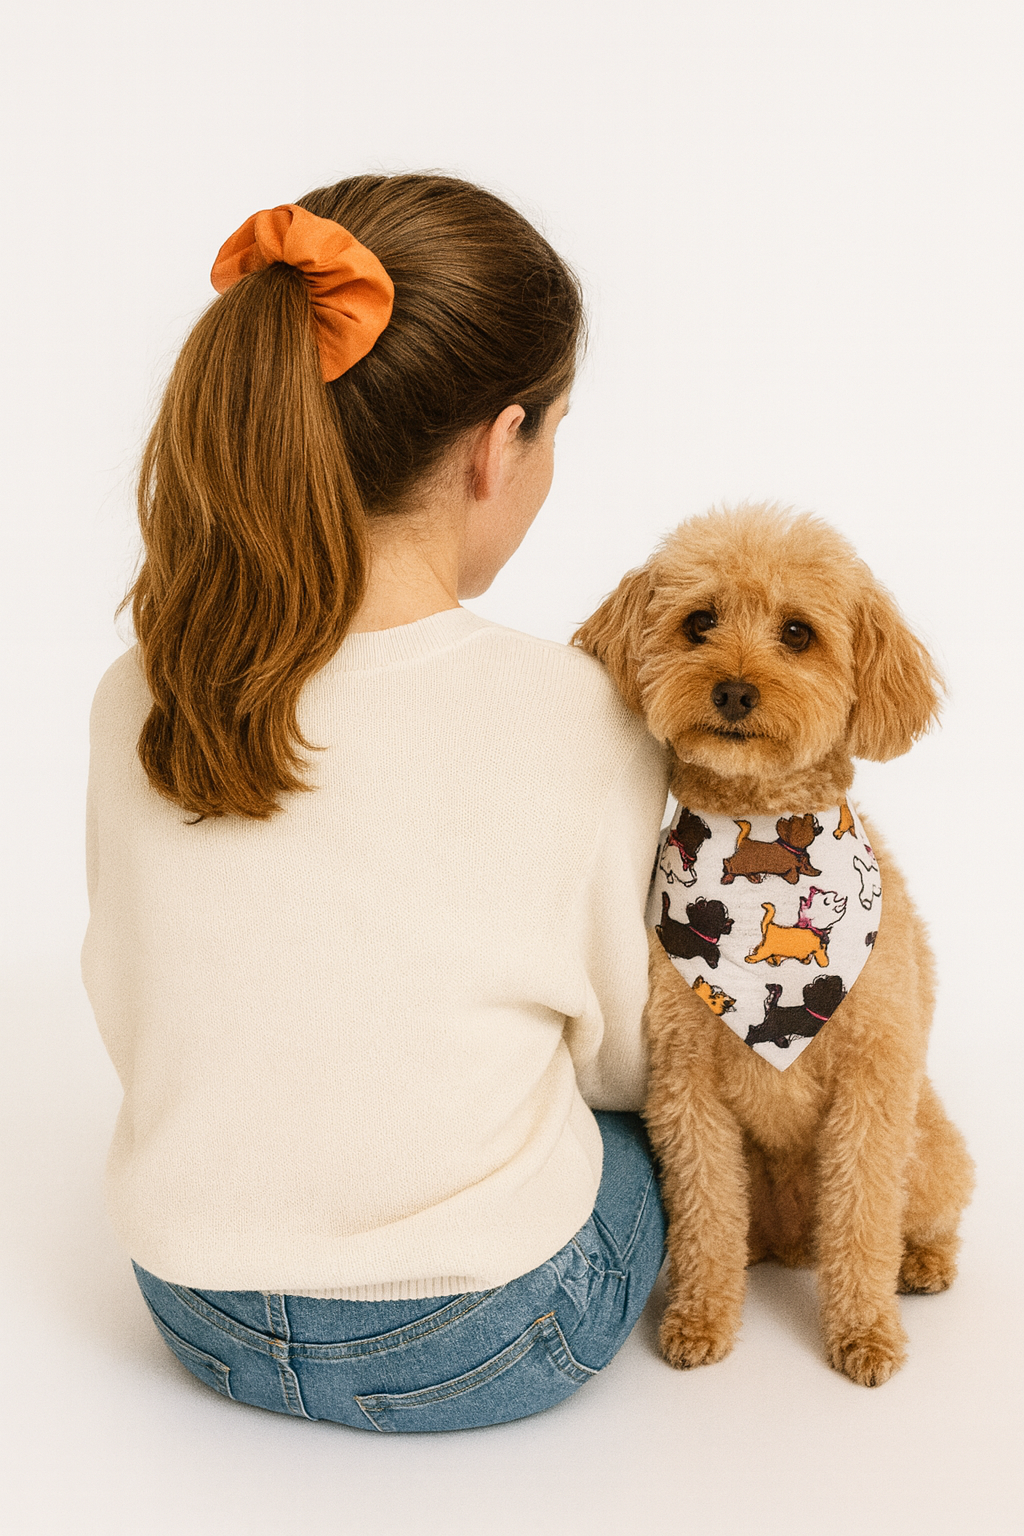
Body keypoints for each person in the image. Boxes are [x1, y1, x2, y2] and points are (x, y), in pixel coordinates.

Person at [82, 173, 669, 1432]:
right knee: (661, 1139)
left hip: (194, 1307)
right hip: (484, 1330)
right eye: (553, 433)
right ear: (495, 446)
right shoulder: (575, 711)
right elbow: (626, 1059)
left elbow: (132, 998)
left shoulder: (143, 687)